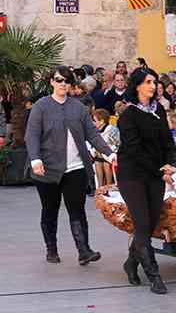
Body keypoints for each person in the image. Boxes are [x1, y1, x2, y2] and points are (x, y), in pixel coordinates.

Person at [25, 66, 116, 264]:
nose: (63, 84)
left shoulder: (78, 108)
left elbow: (92, 134)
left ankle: (84, 250)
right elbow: (31, 135)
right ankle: (51, 249)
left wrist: (109, 154)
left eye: (66, 81)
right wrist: (35, 159)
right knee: (50, 209)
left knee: (77, 209)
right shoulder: (41, 106)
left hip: (75, 168)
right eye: (59, 80)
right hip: (47, 168)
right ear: (52, 82)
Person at [117, 67, 175, 294]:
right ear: (138, 85)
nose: (153, 86)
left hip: (156, 174)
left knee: (150, 225)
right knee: (141, 224)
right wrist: (160, 170)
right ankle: (154, 275)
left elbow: (166, 141)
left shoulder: (158, 109)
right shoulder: (128, 115)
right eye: (149, 82)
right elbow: (134, 151)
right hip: (132, 174)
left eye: (155, 82)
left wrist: (169, 163)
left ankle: (131, 263)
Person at [92, 108, 120, 187]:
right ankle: (100, 188)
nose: (93, 123)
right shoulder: (94, 131)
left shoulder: (112, 130)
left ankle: (109, 187)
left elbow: (117, 145)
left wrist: (105, 153)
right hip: (99, 156)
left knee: (106, 164)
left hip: (112, 157)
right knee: (97, 163)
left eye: (94, 120)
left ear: (101, 121)